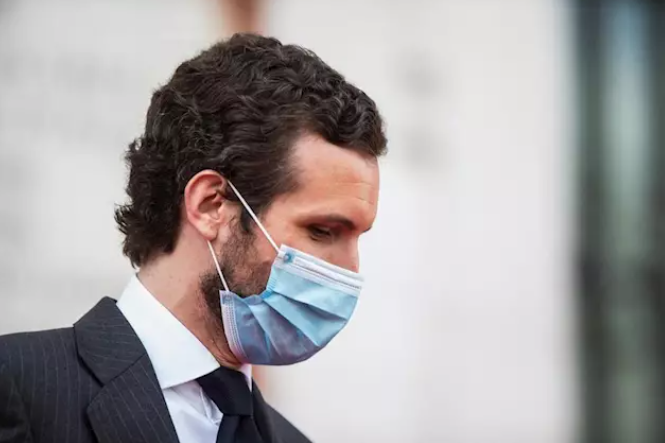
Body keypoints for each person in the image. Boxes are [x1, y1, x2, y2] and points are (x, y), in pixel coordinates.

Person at [0, 33, 386, 443]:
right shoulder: (20, 386)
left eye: (358, 237)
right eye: (322, 230)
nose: (350, 270)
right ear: (210, 205)